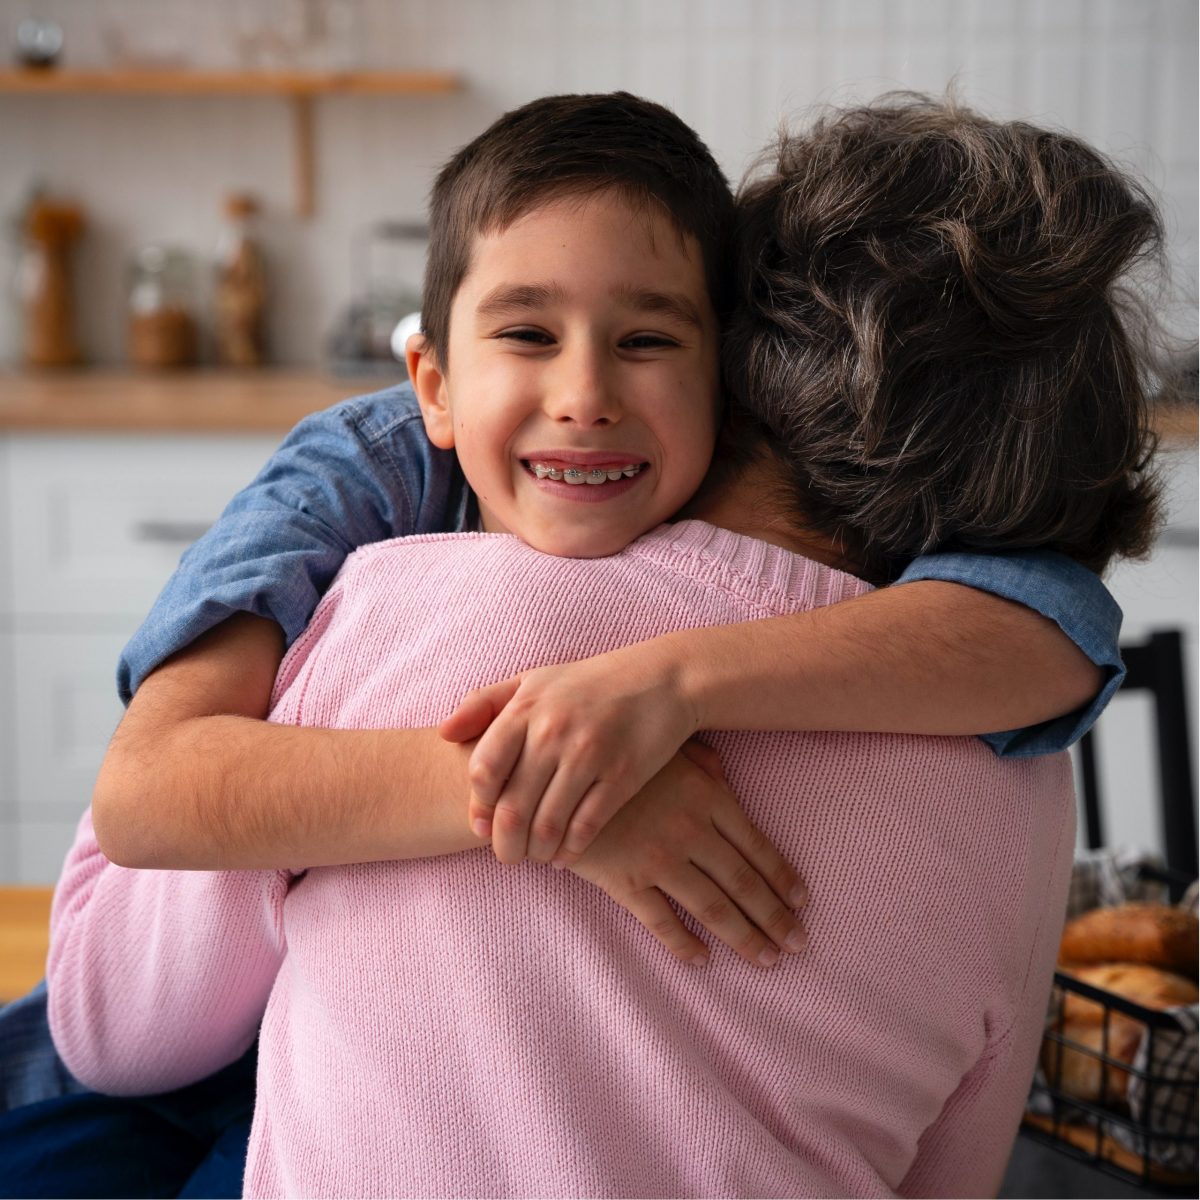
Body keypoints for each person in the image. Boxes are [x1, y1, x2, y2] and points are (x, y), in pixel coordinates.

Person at [3, 91, 1120, 1196]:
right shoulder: (1021, 773)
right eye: (528, 334)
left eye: (644, 340)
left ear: (727, 375)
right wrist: (536, 796)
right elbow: (156, 787)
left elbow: (112, 1019)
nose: (582, 396)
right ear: (433, 384)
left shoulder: (393, 611)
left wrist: (646, 700)